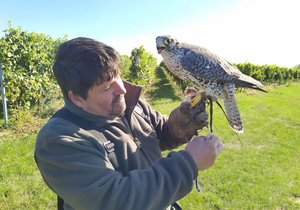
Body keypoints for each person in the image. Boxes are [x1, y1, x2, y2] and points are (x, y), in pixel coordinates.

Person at [34, 37, 223, 210]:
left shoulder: (129, 105)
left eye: (117, 76)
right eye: (107, 87)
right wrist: (188, 163)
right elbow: (116, 201)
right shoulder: (60, 140)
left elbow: (159, 134)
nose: (122, 89)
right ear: (77, 99)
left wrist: (181, 122)